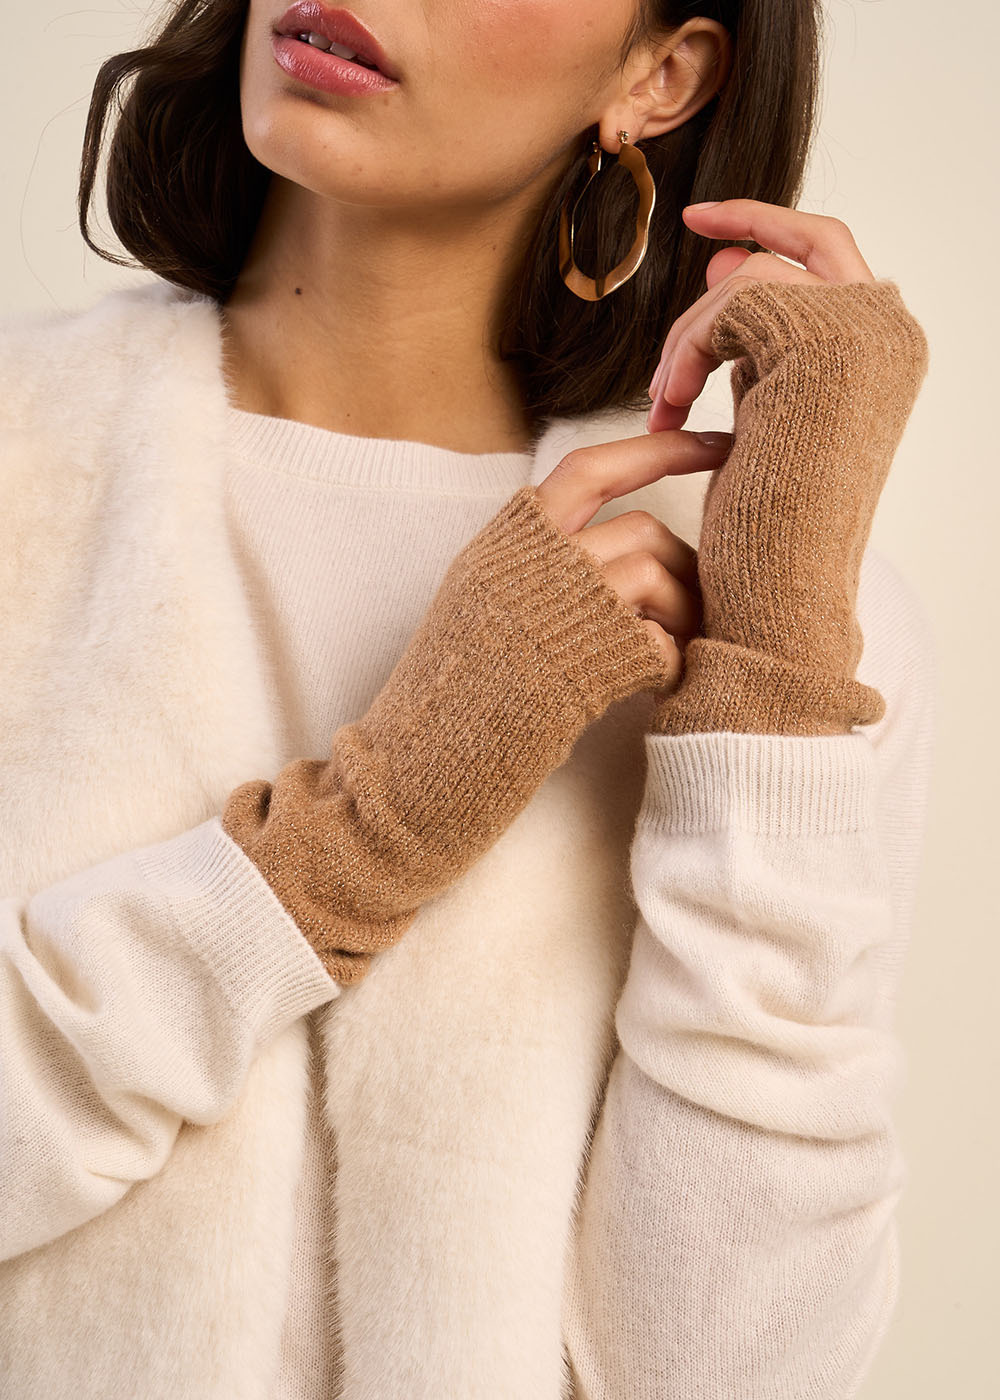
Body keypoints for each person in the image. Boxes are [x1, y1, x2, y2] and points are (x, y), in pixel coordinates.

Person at [0, 0, 935, 1396]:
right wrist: (351, 844)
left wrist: (773, 695)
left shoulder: (759, 613)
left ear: (660, 75)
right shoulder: (26, 460)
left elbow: (727, 1369)